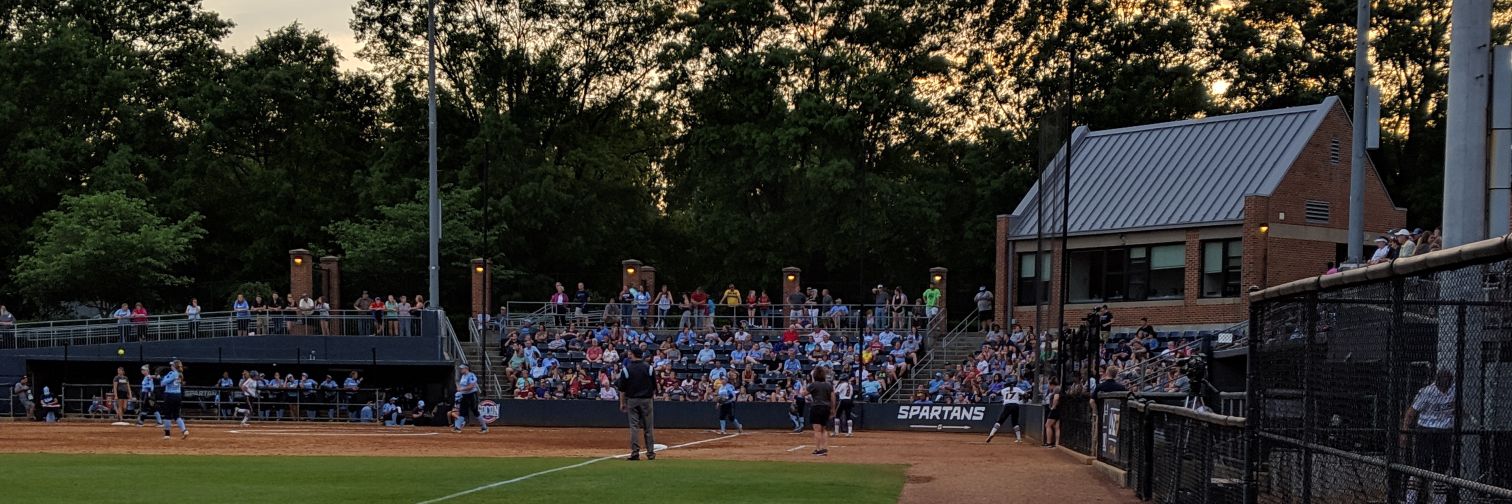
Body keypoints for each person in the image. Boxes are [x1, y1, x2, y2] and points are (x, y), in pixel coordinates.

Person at [1401, 369, 1454, 504]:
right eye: (1443, 379)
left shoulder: (1453, 391)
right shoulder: (1427, 391)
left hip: (1444, 431)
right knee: (1420, 467)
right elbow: (1411, 413)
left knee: (1441, 469)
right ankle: (1411, 500)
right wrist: (1405, 431)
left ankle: (1439, 501)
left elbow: (1459, 408)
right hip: (1425, 430)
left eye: (1448, 380)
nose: (1446, 382)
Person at [617, 347, 657, 460]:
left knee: (634, 427)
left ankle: (635, 452)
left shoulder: (626, 369)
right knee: (648, 427)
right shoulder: (649, 368)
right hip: (646, 400)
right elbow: (654, 387)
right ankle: (650, 453)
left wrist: (622, 403)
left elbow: (622, 389)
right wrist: (650, 399)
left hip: (632, 400)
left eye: (630, 353)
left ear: (633, 355)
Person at [986, 377, 1027, 443]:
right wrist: (1025, 397)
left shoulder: (1004, 390)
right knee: (1015, 422)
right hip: (1016, 405)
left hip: (1007, 405)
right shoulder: (1017, 389)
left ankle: (991, 434)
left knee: (999, 421)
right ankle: (1019, 438)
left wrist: (993, 394)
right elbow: (1025, 394)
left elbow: (996, 393)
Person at [807, 367, 836, 456]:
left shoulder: (813, 385)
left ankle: (818, 449)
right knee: (824, 429)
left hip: (816, 407)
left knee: (817, 430)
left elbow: (803, 393)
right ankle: (824, 448)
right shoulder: (828, 385)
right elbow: (833, 397)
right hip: (826, 407)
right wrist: (833, 409)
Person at [452, 363, 487, 433]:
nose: (461, 369)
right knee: (462, 411)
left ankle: (484, 427)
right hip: (464, 395)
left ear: (466, 368)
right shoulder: (463, 376)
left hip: (472, 395)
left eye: (462, 368)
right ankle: (457, 427)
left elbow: (471, 386)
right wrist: (460, 388)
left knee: (475, 411)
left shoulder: (471, 375)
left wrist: (461, 389)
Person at [159, 360, 188, 439]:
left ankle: (167, 434)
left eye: (172, 365)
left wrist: (162, 378)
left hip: (169, 395)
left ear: (174, 366)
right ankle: (184, 430)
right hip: (178, 395)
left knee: (167, 415)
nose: (171, 366)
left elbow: (163, 383)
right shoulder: (180, 374)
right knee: (177, 415)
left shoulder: (172, 373)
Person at [1042, 378, 1061, 448]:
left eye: (1049, 385)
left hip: (1055, 410)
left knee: (1047, 425)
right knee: (1056, 427)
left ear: (1052, 384)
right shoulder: (1058, 388)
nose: (1048, 387)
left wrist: (1053, 407)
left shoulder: (1056, 389)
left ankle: (1049, 443)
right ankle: (1056, 444)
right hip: (1058, 409)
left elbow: (1056, 398)